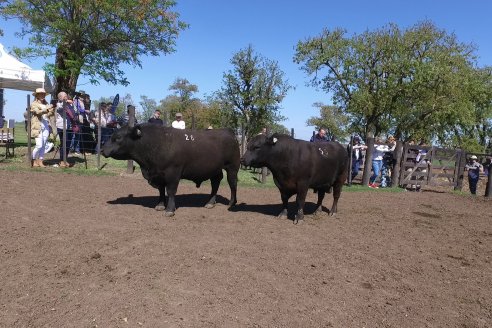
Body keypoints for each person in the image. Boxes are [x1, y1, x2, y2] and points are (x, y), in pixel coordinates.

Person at [30, 88, 55, 167]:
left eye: (43, 94)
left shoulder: (47, 104)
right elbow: (38, 112)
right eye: (40, 94)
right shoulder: (34, 104)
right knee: (39, 145)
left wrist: (51, 111)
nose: (42, 95)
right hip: (37, 126)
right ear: (37, 95)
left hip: (46, 126)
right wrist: (48, 109)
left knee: (43, 145)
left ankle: (40, 161)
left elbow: (49, 114)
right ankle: (33, 159)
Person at [55, 91, 74, 167]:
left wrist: (72, 104)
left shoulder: (69, 104)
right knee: (64, 144)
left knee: (68, 144)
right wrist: (65, 101)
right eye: (64, 96)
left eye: (66, 95)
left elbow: (75, 111)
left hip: (70, 126)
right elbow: (60, 108)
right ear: (60, 97)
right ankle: (62, 160)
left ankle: (65, 159)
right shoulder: (59, 104)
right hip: (62, 127)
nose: (66, 97)